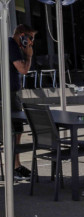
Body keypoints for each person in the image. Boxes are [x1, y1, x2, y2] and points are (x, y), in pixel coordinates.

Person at [7, 24, 37, 180]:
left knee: (15, 130)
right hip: (10, 93)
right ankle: (15, 166)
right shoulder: (12, 45)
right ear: (22, 35)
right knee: (15, 130)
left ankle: (14, 165)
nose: (31, 42)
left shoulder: (11, 45)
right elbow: (23, 70)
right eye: (30, 38)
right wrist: (29, 55)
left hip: (11, 92)